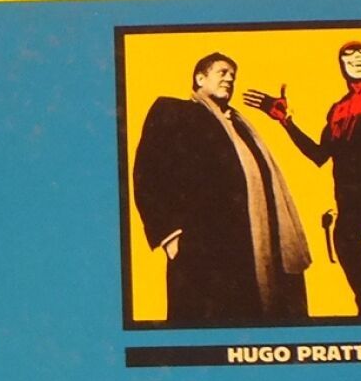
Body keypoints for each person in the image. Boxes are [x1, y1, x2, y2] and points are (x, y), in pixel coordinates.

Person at [243, 42, 361, 318]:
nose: (357, 57)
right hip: (346, 216)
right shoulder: (337, 110)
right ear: (342, 65)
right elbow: (319, 155)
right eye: (349, 56)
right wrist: (285, 121)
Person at [131, 52, 312, 326]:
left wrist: (286, 120)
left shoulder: (240, 125)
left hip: (254, 249)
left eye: (233, 76)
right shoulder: (174, 110)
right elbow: (147, 172)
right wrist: (169, 236)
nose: (229, 79)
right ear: (200, 78)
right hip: (203, 250)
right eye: (222, 72)